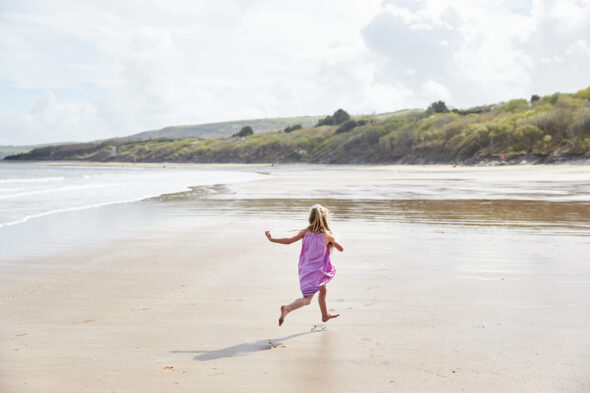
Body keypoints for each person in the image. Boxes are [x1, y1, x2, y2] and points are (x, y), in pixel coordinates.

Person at [265, 204, 343, 326]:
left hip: (306, 268)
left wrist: (272, 239)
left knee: (323, 289)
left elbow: (289, 240)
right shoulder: (326, 235)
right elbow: (341, 249)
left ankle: (325, 315)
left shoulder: (305, 232)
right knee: (307, 300)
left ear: (310, 218)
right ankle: (288, 308)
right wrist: (333, 241)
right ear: (324, 219)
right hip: (317, 271)